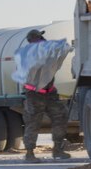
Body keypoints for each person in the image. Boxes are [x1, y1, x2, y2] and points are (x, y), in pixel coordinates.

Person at [20, 29, 72, 162]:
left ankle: (58, 149)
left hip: (49, 93)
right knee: (33, 123)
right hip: (34, 94)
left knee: (61, 116)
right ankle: (30, 153)